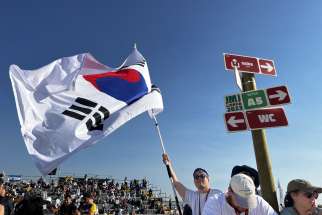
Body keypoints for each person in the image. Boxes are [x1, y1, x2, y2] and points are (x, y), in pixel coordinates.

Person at [203, 173, 278, 215]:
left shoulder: (259, 201)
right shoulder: (214, 203)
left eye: (249, 200)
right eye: (242, 200)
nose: (246, 205)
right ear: (229, 192)